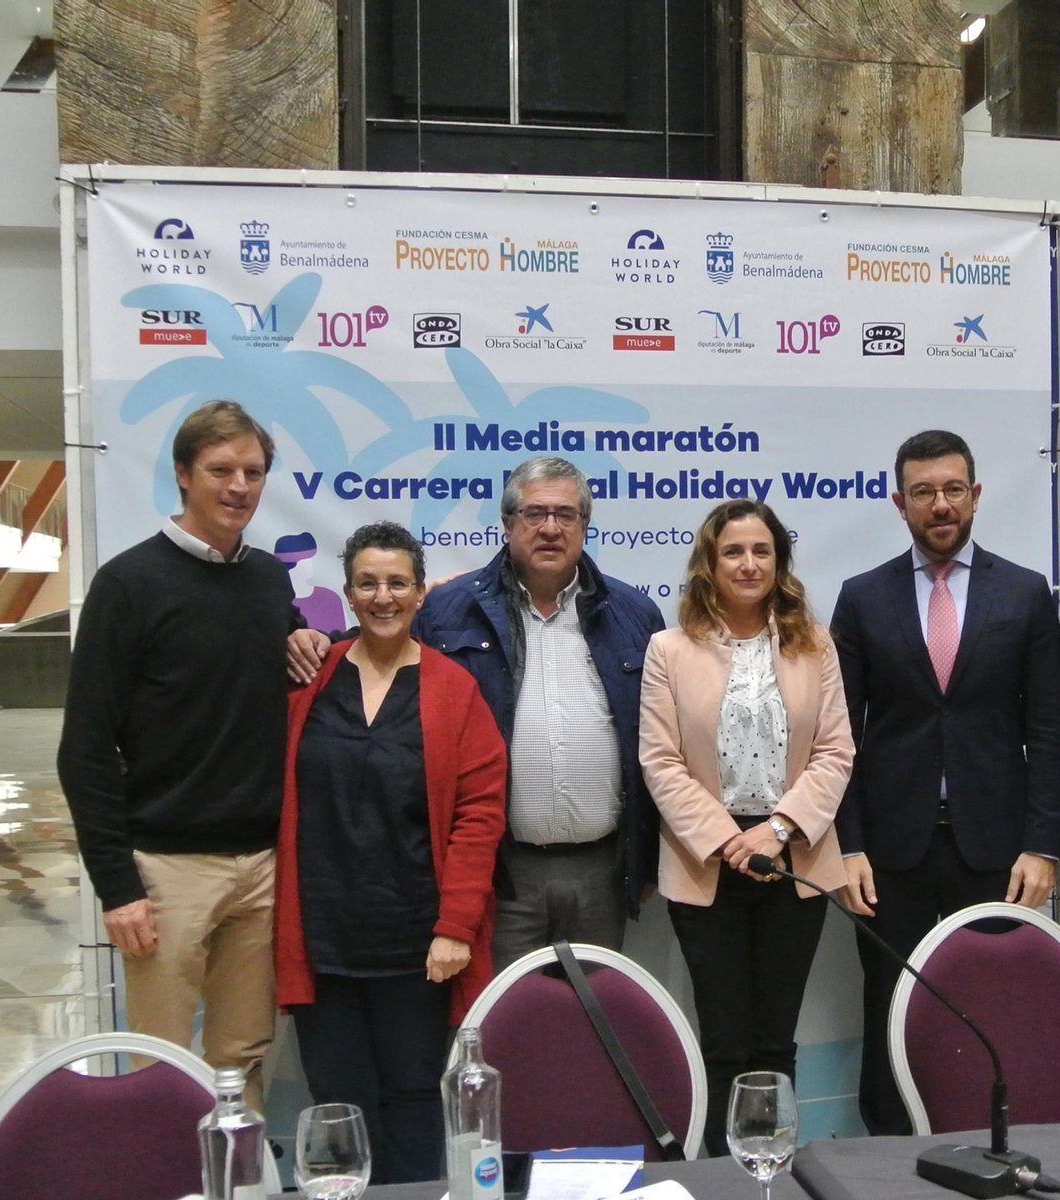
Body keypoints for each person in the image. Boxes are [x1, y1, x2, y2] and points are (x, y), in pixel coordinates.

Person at [287, 456, 665, 969]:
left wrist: (644, 859)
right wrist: (315, 641)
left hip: (601, 871)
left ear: (585, 525)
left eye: (565, 514)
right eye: (534, 513)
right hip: (496, 872)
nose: (550, 528)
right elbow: (383, 650)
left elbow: (656, 743)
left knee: (592, 1012)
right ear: (507, 524)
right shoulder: (449, 608)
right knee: (498, 1014)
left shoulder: (634, 614)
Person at [57, 399, 296, 1110]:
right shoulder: (126, 585)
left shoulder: (268, 579)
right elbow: (85, 749)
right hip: (165, 873)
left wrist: (305, 634)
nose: (239, 486)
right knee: (160, 1068)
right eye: (221, 470)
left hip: (261, 867)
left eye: (252, 472)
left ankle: (241, 1171)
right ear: (183, 474)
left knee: (243, 1060)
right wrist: (117, 887)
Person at [829, 429, 1060, 1136]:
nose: (941, 505)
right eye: (924, 492)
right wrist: (848, 844)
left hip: (996, 851)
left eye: (954, 489)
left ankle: (991, 1141)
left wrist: (1042, 845)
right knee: (890, 1006)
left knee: (992, 1006)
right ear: (899, 502)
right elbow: (837, 737)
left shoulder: (1024, 593)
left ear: (976, 495)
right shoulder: (862, 597)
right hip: (888, 854)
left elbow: (1048, 730)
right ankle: (886, 1156)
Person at [274, 522, 506, 1184]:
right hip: (323, 939)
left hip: (417, 946)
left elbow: (479, 814)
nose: (383, 597)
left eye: (398, 583)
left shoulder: (453, 687)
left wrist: (456, 926)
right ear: (348, 593)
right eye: (368, 583)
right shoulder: (307, 678)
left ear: (420, 592)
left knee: (412, 1100)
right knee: (339, 1108)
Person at [639, 499, 853, 1157]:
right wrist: (728, 838)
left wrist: (779, 828)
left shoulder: (814, 644)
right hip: (708, 863)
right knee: (725, 1038)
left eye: (762, 550)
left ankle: (772, 1166)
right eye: (733, 551)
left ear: (779, 561)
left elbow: (835, 751)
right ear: (709, 562)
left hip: (794, 859)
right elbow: (660, 760)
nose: (749, 563)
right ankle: (723, 1175)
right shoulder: (669, 650)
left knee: (774, 1038)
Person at [275, 530, 350, 632]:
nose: (310, 564)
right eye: (305, 559)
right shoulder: (274, 602)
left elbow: (349, 635)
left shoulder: (331, 598)